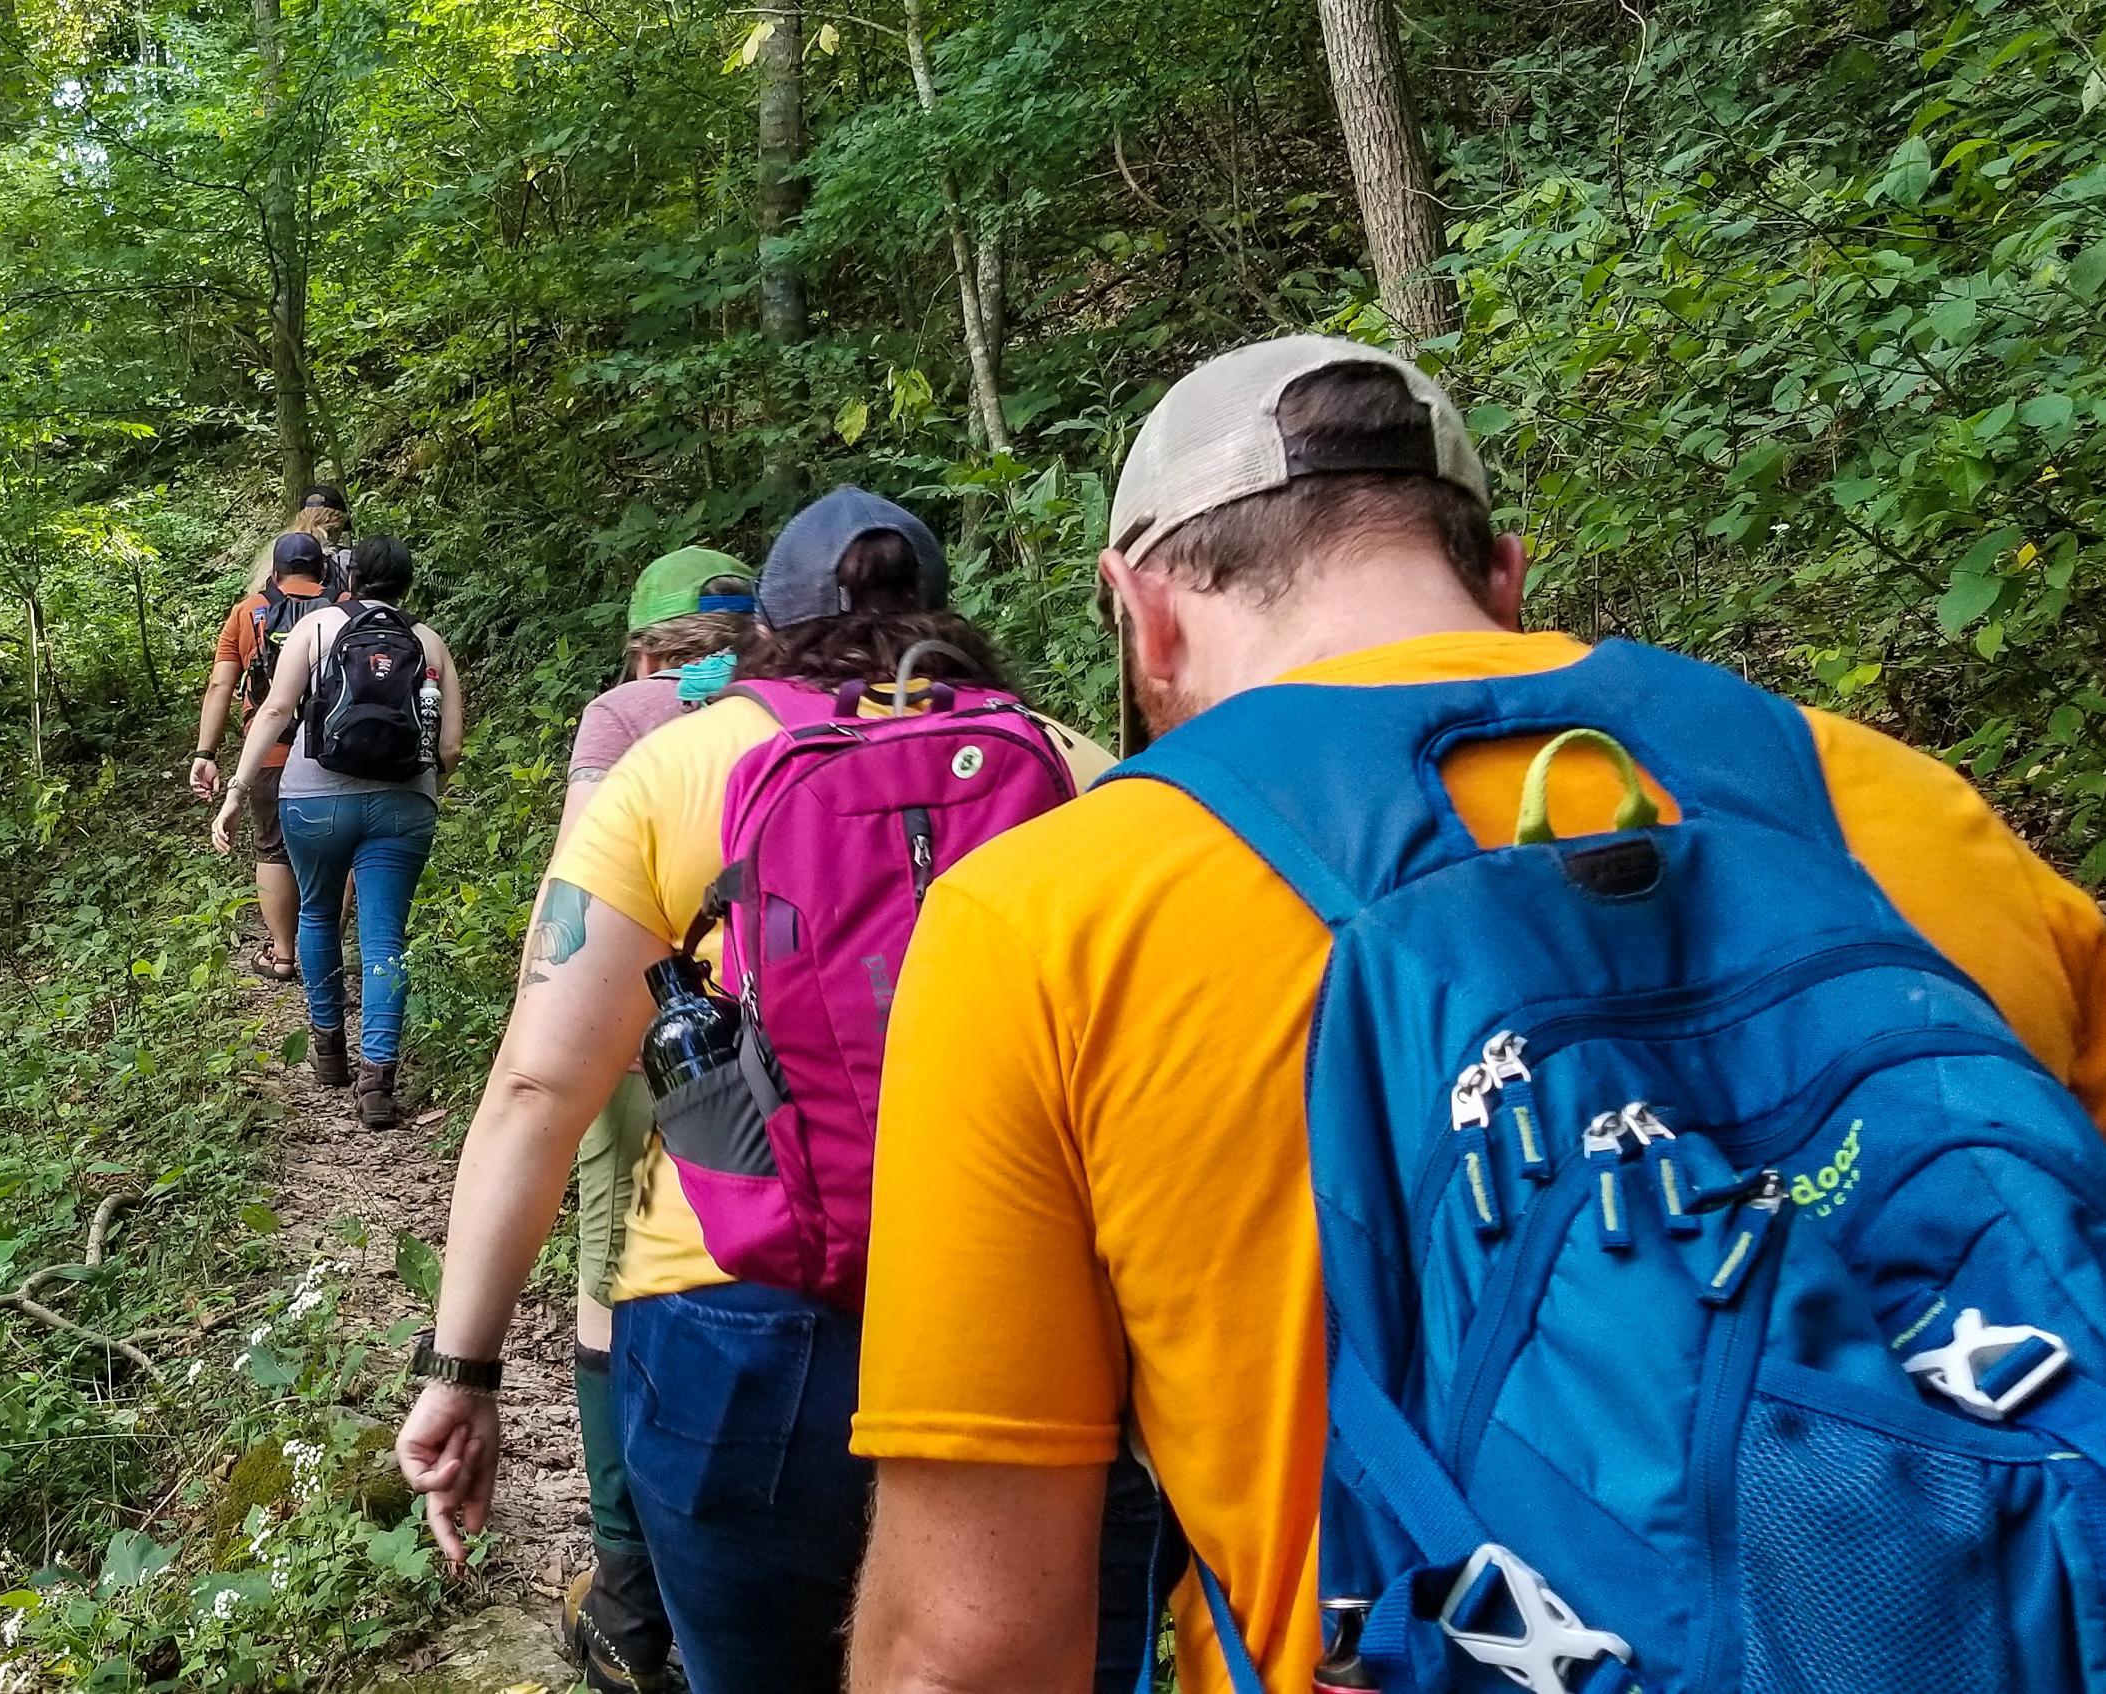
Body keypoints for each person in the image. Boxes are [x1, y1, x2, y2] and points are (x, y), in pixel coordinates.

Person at [845, 337, 2106, 1692]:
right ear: (1499, 575)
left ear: (1141, 617)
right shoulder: (1909, 811)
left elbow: (969, 1647)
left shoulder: (1043, 917)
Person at [398, 488, 1112, 1694]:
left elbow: (534, 1082)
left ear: (763, 629)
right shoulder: (1070, 761)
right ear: (940, 608)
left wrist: (461, 1368)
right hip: (1031, 1314)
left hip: (743, 1313)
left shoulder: (678, 768)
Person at [553, 544, 754, 1694]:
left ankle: (629, 1600)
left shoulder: (625, 711)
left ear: (644, 644)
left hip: (651, 1021)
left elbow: (576, 902)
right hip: (788, 1041)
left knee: (608, 1272)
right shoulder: (808, 703)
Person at [213, 535, 464, 1127]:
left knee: (318, 914)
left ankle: (329, 1053)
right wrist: (420, 789)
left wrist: (236, 793)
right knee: (384, 938)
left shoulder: (318, 627)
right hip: (404, 806)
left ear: (344, 574)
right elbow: (449, 745)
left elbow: (275, 712)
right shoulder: (428, 642)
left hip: (311, 798)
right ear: (407, 582)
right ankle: (378, 1081)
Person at [193, 530, 344, 980]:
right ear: (322, 569)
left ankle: (282, 954)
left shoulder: (247, 612)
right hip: (336, 751)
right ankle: (325, 944)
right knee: (342, 851)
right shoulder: (346, 606)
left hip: (271, 751)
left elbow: (221, 684)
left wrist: (206, 751)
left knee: (273, 848)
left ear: (274, 571)